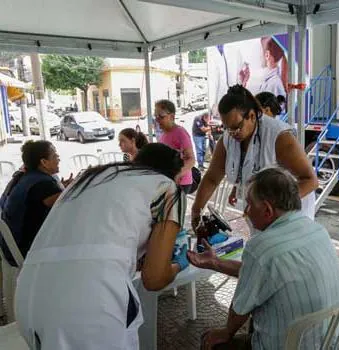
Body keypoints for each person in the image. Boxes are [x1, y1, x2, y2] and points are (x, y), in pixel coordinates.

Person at [15, 143, 190, 350]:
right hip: (91, 305)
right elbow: (154, 278)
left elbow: (96, 239)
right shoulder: (167, 188)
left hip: (29, 297)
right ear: (170, 174)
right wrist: (179, 262)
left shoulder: (89, 178)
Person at [189, 168, 339, 350]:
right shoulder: (316, 230)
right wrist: (215, 262)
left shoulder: (261, 247)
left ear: (267, 210)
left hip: (289, 345)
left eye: (248, 204)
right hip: (328, 343)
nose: (246, 211)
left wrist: (225, 332)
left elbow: (240, 309)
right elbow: (262, 272)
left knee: (210, 342)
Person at [191, 85, 317, 230]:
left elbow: (310, 181)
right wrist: (196, 209)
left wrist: (273, 209)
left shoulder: (279, 136)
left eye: (237, 127)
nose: (232, 133)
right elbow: (212, 178)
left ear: (251, 116)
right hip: (260, 214)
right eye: (227, 128)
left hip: (289, 216)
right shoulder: (228, 138)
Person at [0, 140, 72, 266]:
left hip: (10, 247)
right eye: (55, 155)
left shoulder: (23, 176)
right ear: (44, 162)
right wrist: (77, 185)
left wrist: (62, 186)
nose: (59, 159)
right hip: (26, 250)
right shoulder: (43, 185)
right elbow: (68, 201)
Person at [155, 99, 196, 194]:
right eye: (156, 116)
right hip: (168, 181)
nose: (157, 120)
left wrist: (177, 174)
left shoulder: (180, 132)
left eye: (161, 116)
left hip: (181, 182)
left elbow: (191, 160)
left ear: (172, 116)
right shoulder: (163, 135)